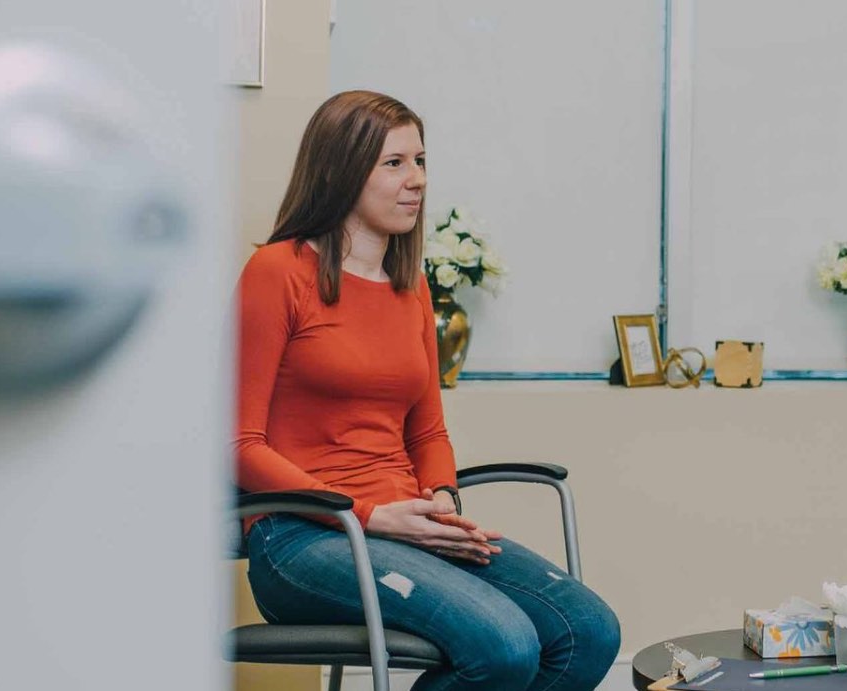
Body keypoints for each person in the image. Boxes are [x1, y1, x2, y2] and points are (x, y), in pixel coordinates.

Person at [235, 90, 621, 691]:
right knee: (505, 645)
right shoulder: (278, 272)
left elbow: (428, 431)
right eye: (394, 163)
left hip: (408, 525)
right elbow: (240, 443)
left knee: (589, 631)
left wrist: (441, 499)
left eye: (420, 161)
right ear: (341, 171)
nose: (415, 180)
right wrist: (369, 514)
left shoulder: (409, 286)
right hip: (303, 534)